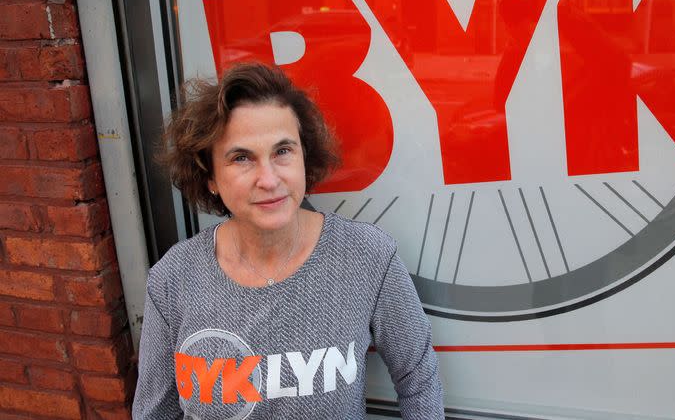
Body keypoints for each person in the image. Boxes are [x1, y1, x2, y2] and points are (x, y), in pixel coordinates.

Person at [132, 63, 444, 418]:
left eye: (282, 151)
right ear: (210, 177)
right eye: (241, 158)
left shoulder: (367, 257)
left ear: (304, 157)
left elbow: (418, 378)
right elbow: (155, 413)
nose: (269, 179)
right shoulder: (173, 280)